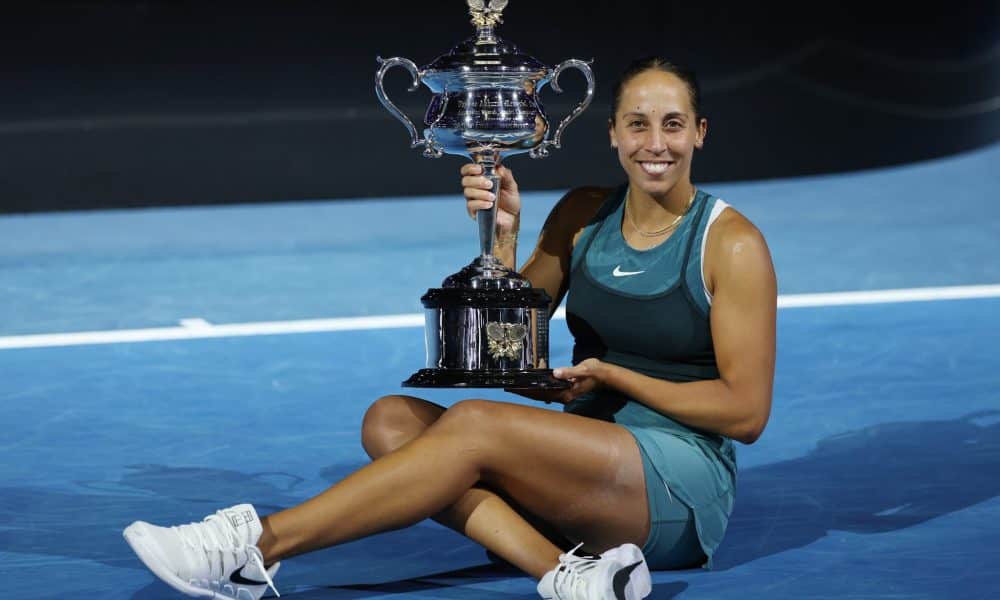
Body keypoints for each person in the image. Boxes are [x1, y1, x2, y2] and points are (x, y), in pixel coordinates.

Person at [122, 56, 777, 600]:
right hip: (581, 462)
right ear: (611, 133)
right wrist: (504, 239)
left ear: (700, 133)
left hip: (676, 490)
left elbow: (745, 413)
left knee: (472, 425)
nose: (654, 144)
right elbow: (504, 355)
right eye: (637, 125)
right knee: (391, 420)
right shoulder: (581, 213)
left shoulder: (732, 244)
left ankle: (255, 546)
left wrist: (612, 375)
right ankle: (567, 574)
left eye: (672, 125)